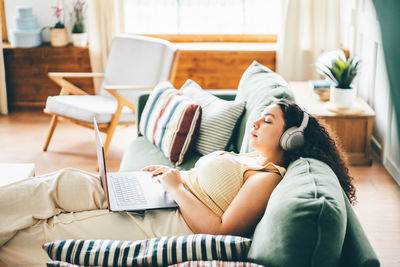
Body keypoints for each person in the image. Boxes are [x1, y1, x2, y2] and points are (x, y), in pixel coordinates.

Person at [0, 99, 356, 265]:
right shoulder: (249, 158)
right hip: (159, 195)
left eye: (267, 121)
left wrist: (175, 187)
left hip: (166, 221)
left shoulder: (266, 177)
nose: (257, 124)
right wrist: (167, 177)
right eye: (259, 118)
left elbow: (219, 230)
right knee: (59, 182)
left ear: (291, 138)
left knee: (46, 231)